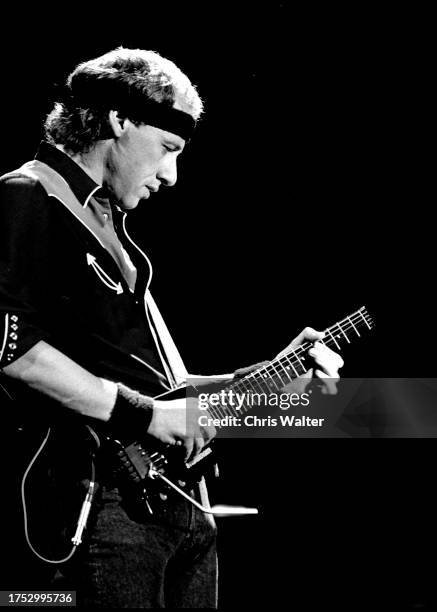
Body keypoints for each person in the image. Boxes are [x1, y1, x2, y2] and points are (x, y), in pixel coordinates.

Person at [0, 47, 344, 608]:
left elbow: (164, 394)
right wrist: (145, 414)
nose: (171, 174)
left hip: (179, 508)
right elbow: (10, 348)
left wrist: (269, 376)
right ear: (119, 120)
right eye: (167, 149)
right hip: (105, 514)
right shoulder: (28, 195)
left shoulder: (115, 235)